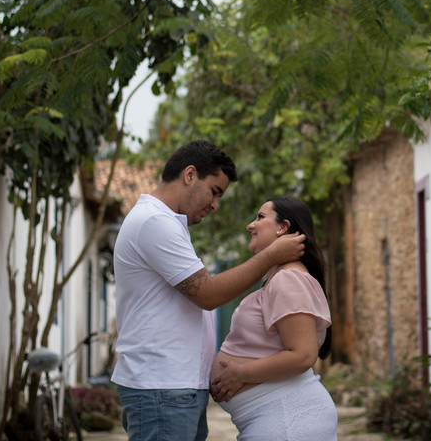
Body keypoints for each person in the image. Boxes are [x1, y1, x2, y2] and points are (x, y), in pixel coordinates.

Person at [111, 140, 306, 441]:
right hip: (162, 390)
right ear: (190, 175)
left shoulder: (168, 224)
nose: (215, 205)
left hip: (174, 389)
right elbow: (208, 294)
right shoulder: (154, 221)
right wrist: (271, 256)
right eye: (215, 192)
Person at [209, 196, 339, 440]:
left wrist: (240, 374)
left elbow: (303, 355)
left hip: (287, 418)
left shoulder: (288, 279)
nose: (250, 225)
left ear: (283, 227)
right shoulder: (280, 278)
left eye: (260, 217)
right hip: (278, 417)